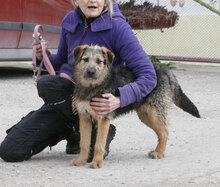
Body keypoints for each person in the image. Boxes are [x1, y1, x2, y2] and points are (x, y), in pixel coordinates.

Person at [0, 0, 157, 162]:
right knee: (10, 151)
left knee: (89, 156)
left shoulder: (118, 27)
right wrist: (43, 56)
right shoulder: (70, 20)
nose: (93, 0)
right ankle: (76, 131)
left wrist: (119, 99)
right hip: (67, 100)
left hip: (96, 102)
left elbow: (149, 76)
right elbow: (61, 61)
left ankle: (97, 127)